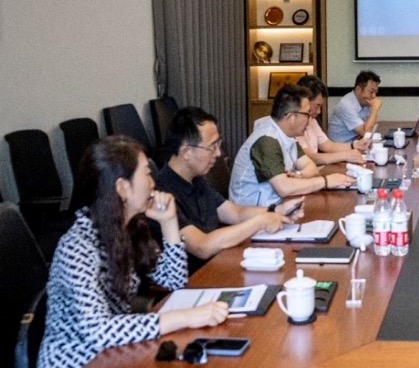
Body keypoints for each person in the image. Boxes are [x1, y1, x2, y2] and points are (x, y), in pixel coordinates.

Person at [38, 136, 228, 368]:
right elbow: (98, 331)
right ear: (122, 188)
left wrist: (169, 224)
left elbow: (174, 281)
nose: (153, 182)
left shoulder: (131, 228)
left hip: (117, 350)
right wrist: (186, 317)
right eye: (146, 174)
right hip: (77, 359)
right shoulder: (77, 247)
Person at [155, 107, 305, 273]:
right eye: (212, 147)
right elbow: (201, 246)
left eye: (218, 144)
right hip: (194, 278)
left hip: (216, 266)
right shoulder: (162, 193)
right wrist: (261, 221)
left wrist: (277, 210)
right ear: (186, 152)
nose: (218, 153)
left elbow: (235, 213)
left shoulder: (195, 180)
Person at [230, 84, 354, 207]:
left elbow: (311, 167)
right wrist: (326, 181)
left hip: (277, 206)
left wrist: (299, 175)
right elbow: (284, 188)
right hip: (253, 213)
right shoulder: (267, 140)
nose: (310, 120)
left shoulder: (288, 136)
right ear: (290, 117)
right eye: (307, 114)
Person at [296, 75, 370, 165]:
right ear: (305, 101)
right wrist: (344, 155)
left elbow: (328, 145)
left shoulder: (312, 120)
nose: (319, 111)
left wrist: (355, 145)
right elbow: (308, 157)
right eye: (317, 106)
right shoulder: (294, 124)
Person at [328, 70, 381, 143]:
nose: (374, 96)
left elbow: (370, 129)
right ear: (358, 89)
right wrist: (375, 108)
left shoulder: (365, 103)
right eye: (371, 92)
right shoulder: (346, 105)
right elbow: (366, 133)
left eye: (375, 92)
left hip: (354, 144)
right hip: (339, 147)